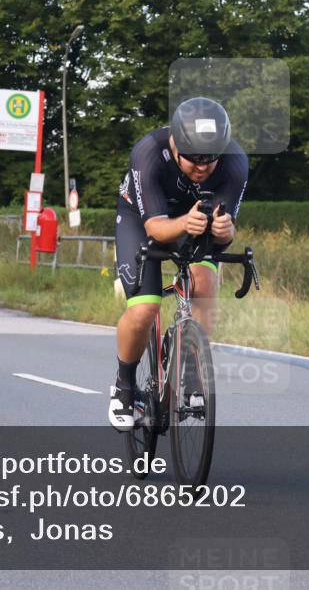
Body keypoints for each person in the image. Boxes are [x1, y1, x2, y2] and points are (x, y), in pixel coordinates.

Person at [108, 97, 249, 431]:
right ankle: (124, 385)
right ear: (174, 146)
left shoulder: (236, 162)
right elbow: (155, 228)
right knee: (145, 308)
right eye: (194, 159)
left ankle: (190, 368)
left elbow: (221, 235)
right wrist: (187, 222)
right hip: (141, 220)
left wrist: (225, 231)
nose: (202, 167)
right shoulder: (149, 153)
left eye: (210, 159)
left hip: (193, 222)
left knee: (204, 283)